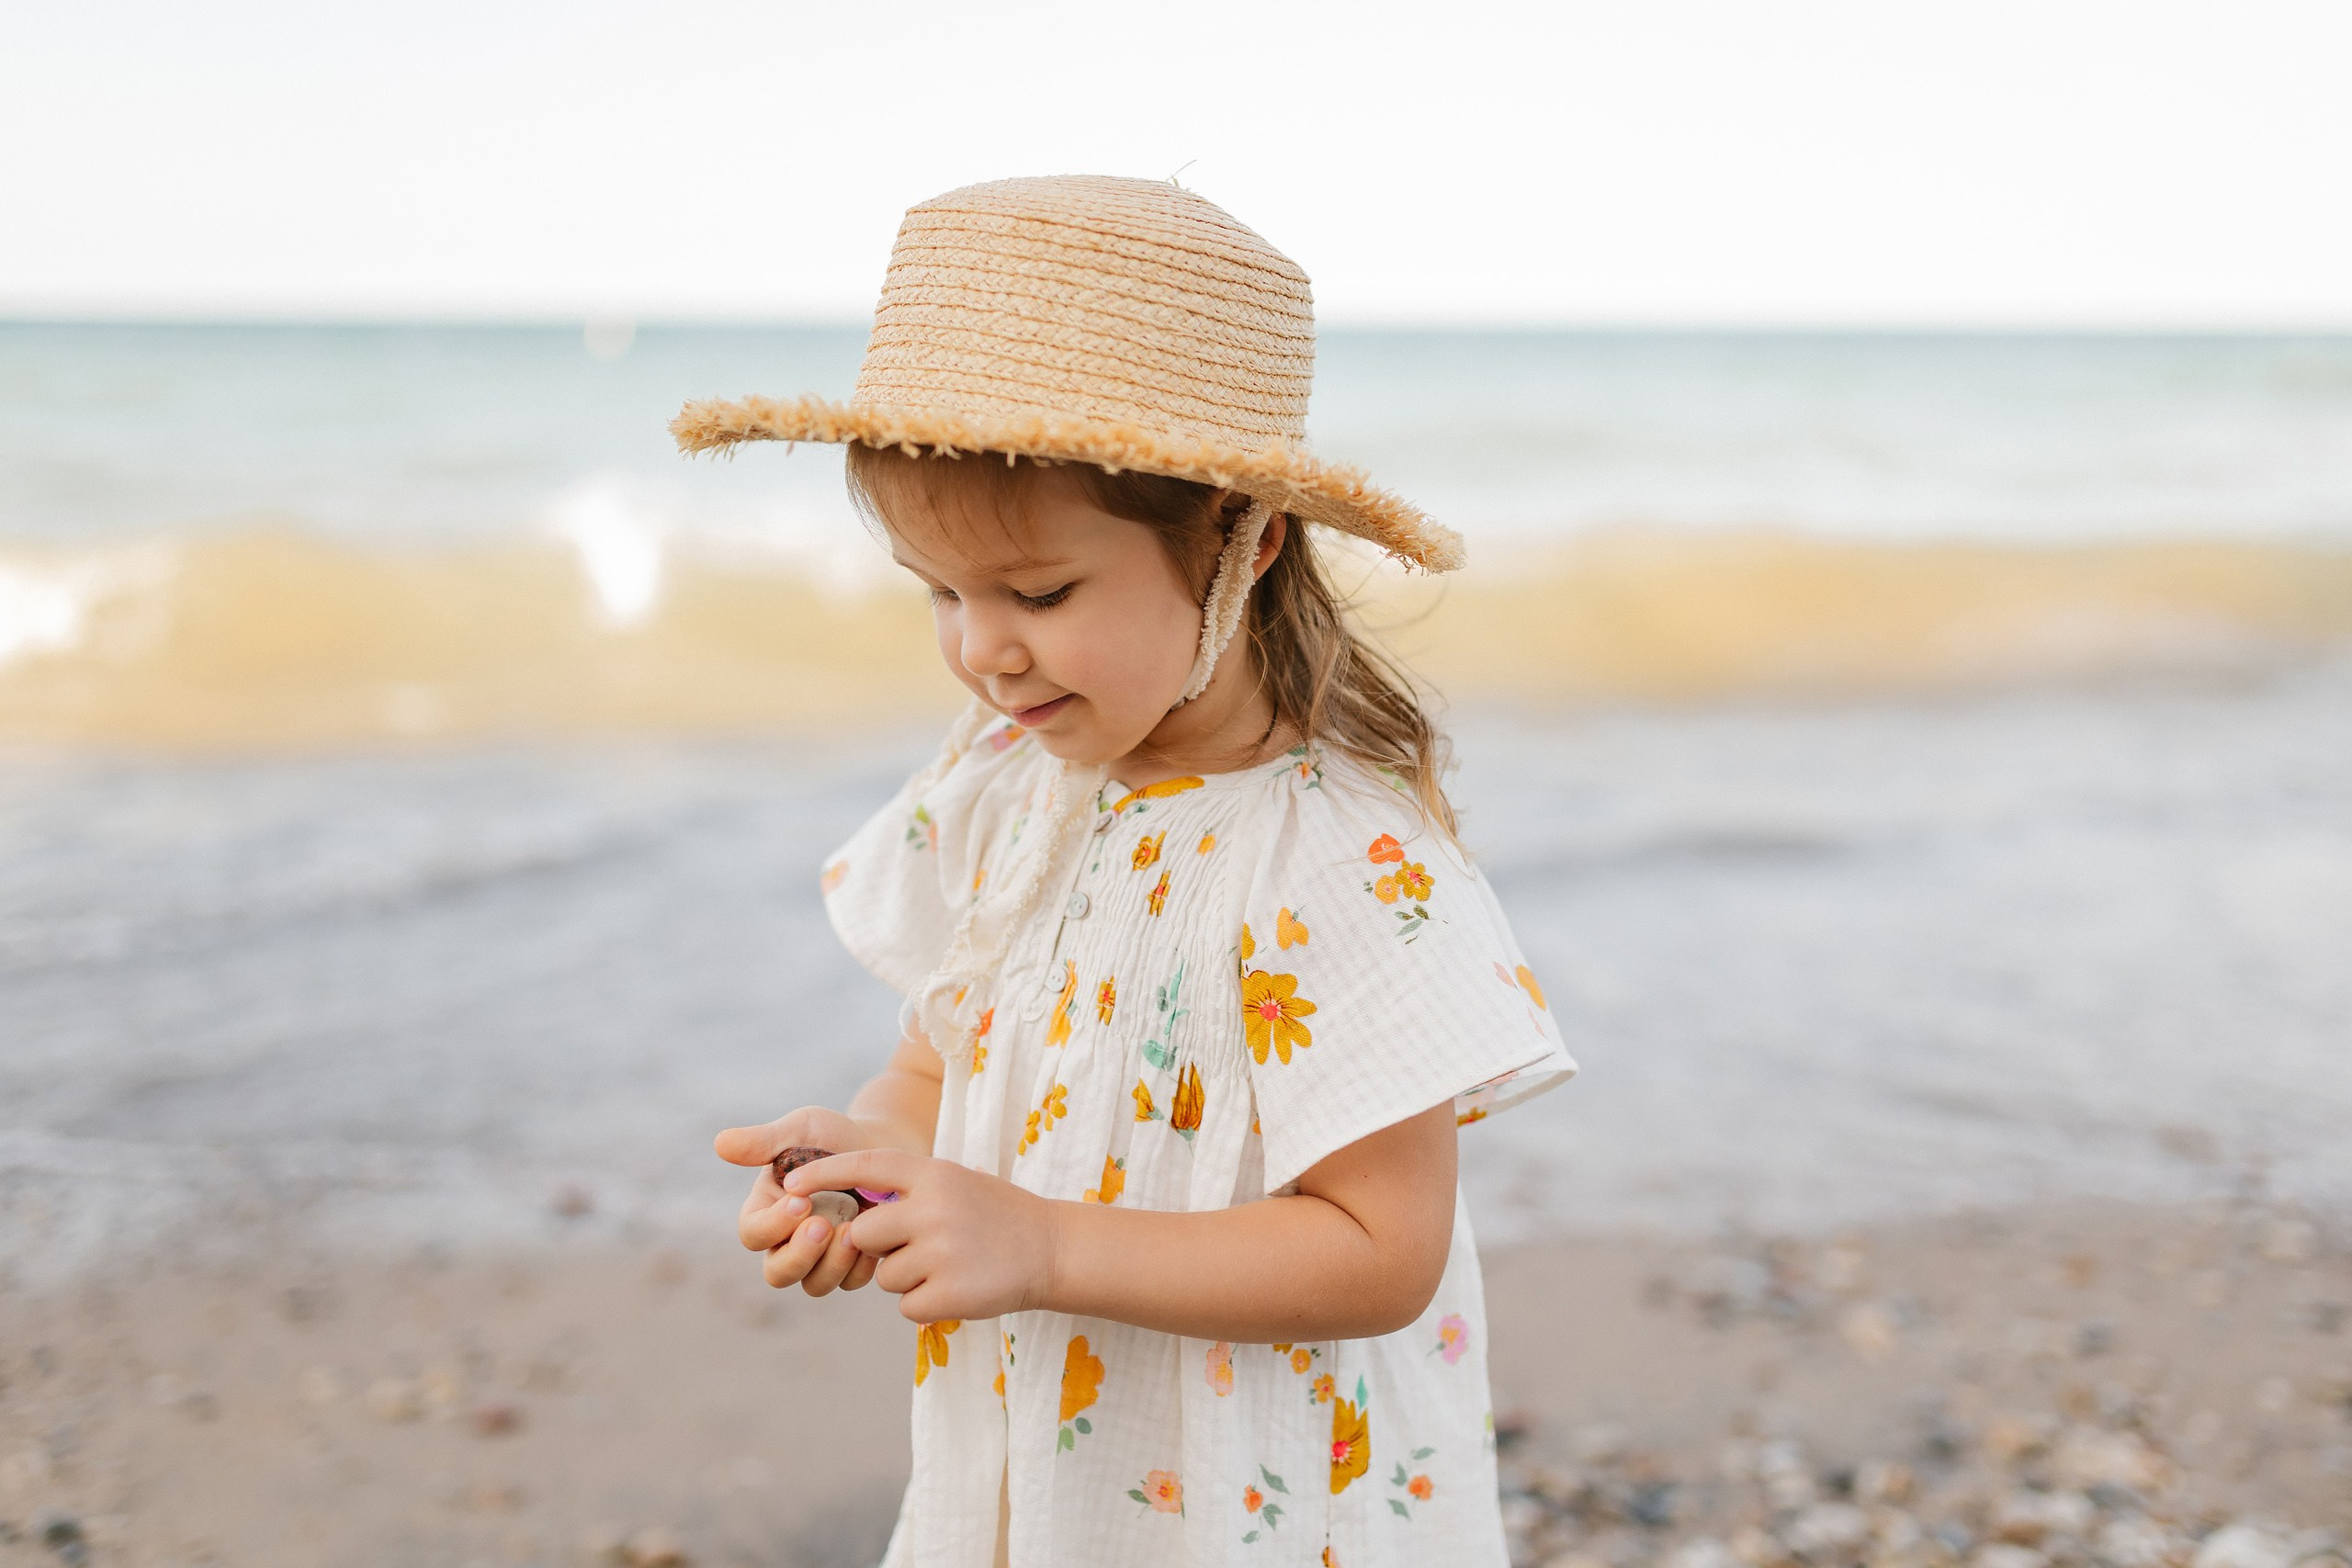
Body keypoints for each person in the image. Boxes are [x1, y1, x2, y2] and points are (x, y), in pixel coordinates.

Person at [687, 175, 1575, 1568]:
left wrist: (1040, 1246)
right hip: (1057, 1464)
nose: (983, 650)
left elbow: (1379, 1251)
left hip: (1264, 1500)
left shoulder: (1338, 857)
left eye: (1036, 595)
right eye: (941, 592)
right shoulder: (1006, 784)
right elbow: (938, 1058)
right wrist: (873, 1169)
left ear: (1241, 540)